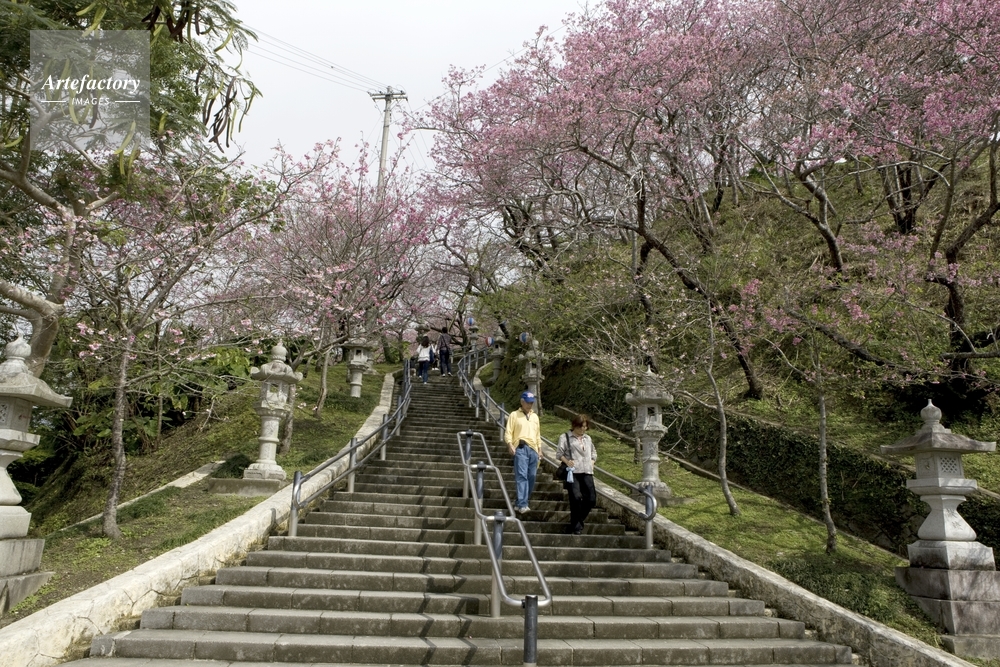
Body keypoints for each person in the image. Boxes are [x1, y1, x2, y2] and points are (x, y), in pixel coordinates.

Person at [557, 413, 597, 535]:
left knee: (591, 499)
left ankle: (577, 521)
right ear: (574, 425)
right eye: (581, 427)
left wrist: (592, 462)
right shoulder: (565, 437)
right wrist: (567, 462)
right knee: (576, 498)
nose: (583, 429)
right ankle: (576, 527)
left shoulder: (588, 438)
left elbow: (594, 453)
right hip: (573, 472)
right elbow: (559, 454)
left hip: (587, 471)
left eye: (585, 427)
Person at [504, 390, 542, 514]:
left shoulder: (535, 417)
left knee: (532, 476)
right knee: (522, 476)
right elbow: (508, 432)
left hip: (533, 450)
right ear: (522, 402)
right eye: (527, 402)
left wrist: (540, 450)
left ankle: (519, 502)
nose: (529, 405)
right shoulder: (514, 415)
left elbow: (538, 435)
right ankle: (523, 504)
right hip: (520, 448)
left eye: (531, 403)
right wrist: (510, 444)